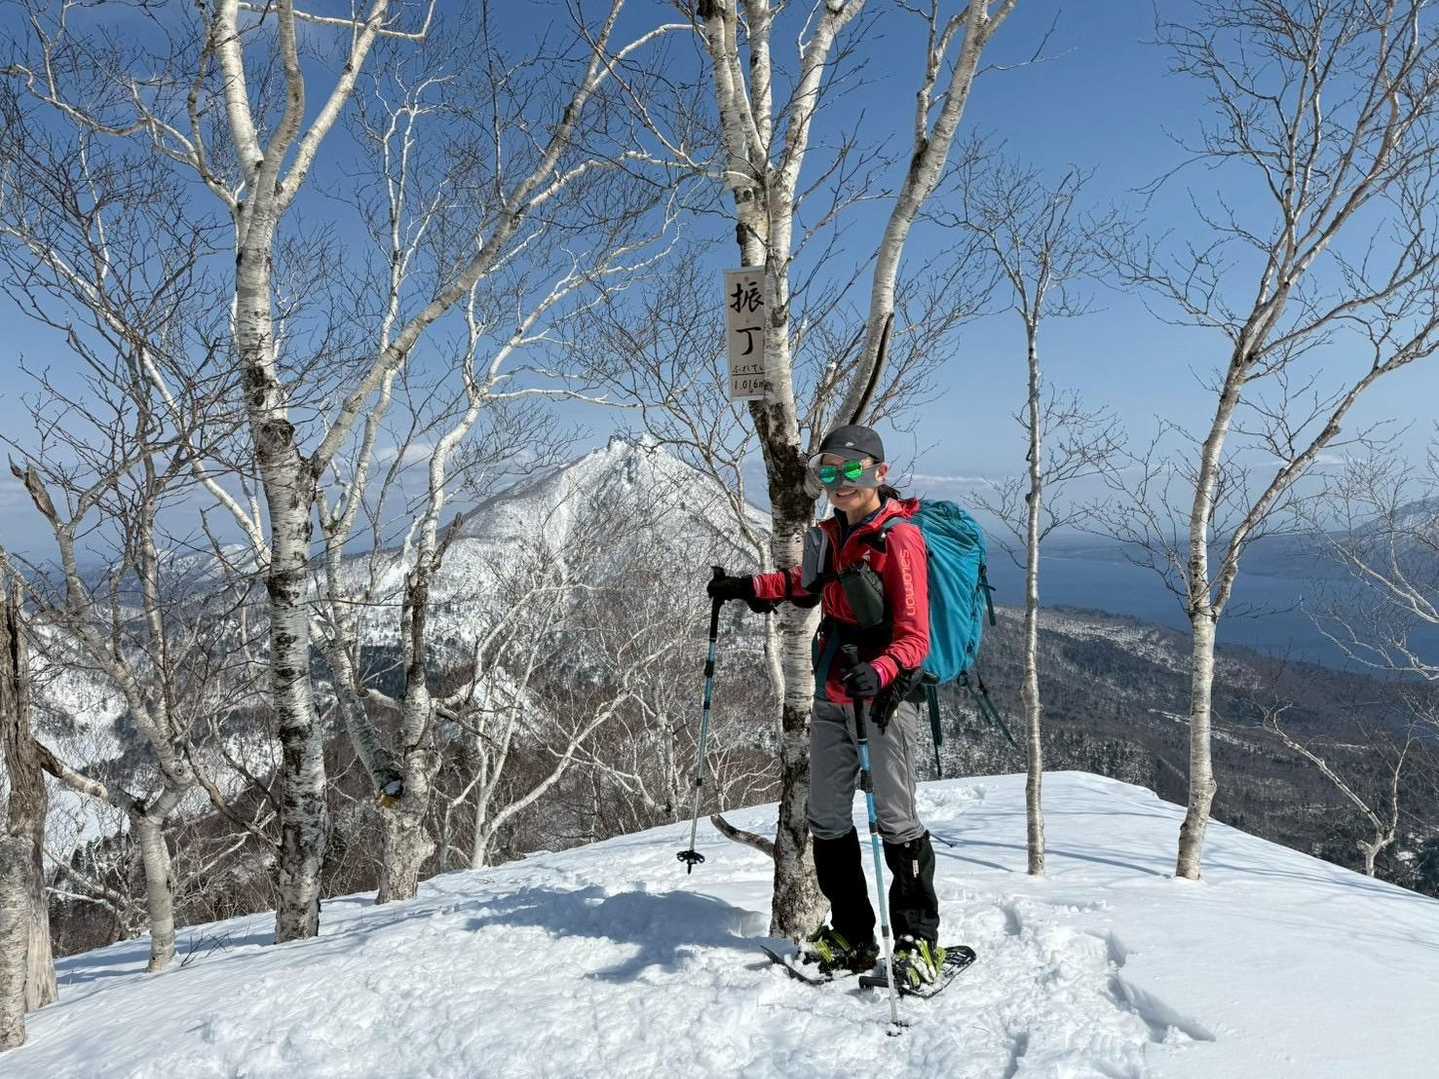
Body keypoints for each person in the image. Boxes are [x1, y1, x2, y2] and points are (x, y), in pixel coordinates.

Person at [707, 424, 945, 987]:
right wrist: (748, 587)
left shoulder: (899, 540)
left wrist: (880, 670)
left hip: (883, 700)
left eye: (852, 468)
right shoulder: (832, 534)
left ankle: (916, 945)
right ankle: (853, 935)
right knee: (827, 818)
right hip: (832, 692)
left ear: (880, 472)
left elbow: (916, 638)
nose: (840, 480)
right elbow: (806, 584)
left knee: (896, 821)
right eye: (829, 470)